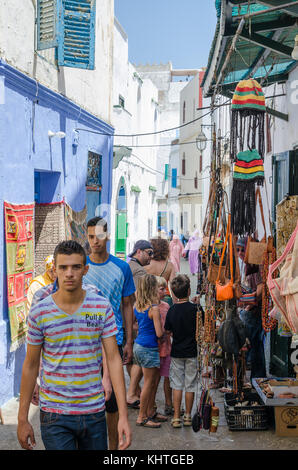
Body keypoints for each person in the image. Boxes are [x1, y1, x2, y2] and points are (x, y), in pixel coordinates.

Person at [17, 240, 131, 451]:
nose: (69, 273)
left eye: (76, 267)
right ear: (55, 270)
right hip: (54, 414)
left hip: (94, 412)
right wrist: (22, 419)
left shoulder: (100, 306)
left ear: (85, 269)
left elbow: (114, 359)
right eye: (63, 267)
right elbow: (31, 364)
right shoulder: (40, 312)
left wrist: (123, 415)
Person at [85, 217, 135, 450]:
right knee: (89, 399)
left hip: (113, 342)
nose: (95, 241)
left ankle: (113, 448)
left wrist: (129, 341)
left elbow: (127, 305)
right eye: (91, 237)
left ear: (108, 236)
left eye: (99, 236)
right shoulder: (80, 267)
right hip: (85, 344)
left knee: (113, 402)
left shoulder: (122, 267)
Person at [133, 274, 166, 428]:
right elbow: (159, 334)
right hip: (149, 348)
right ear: (152, 289)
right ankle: (142, 417)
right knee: (148, 383)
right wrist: (166, 334)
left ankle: (149, 413)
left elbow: (135, 325)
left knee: (149, 383)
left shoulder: (137, 306)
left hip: (138, 345)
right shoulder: (154, 309)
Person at [165, 274, 198, 428]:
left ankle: (176, 417)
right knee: (190, 385)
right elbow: (202, 328)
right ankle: (187, 417)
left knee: (177, 384)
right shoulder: (196, 309)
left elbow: (168, 331)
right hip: (192, 352)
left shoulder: (171, 310)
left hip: (177, 352)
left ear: (173, 293)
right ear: (189, 291)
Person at [126, 240, 154, 408]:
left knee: (131, 359)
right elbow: (137, 297)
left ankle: (134, 392)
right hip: (134, 320)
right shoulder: (138, 271)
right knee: (136, 359)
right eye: (149, 253)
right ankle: (134, 393)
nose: (151, 257)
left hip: (127, 318)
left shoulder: (129, 266)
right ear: (139, 252)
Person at [236, 238, 266, 380]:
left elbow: (260, 289)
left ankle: (257, 378)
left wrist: (247, 304)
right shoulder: (248, 265)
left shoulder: (255, 264)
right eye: (238, 250)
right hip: (251, 311)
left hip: (255, 312)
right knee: (253, 346)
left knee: (255, 346)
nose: (240, 253)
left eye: (243, 249)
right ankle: (255, 378)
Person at [155, 276, 172, 416]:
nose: (165, 291)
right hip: (154, 349)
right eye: (162, 289)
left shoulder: (166, 306)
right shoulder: (147, 307)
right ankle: (151, 405)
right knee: (153, 380)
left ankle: (168, 404)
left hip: (166, 347)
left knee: (168, 377)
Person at [145, 237, 176, 306]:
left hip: (148, 297)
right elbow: (173, 286)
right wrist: (176, 302)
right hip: (165, 297)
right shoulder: (170, 265)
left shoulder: (145, 264)